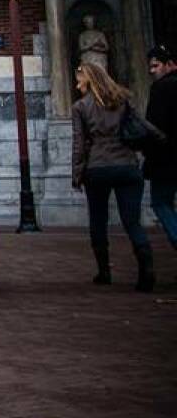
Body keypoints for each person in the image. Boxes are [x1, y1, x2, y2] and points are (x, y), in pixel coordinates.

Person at [72, 63, 155, 292]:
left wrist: (77, 173)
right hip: (127, 165)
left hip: (97, 168)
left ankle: (104, 271)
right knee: (132, 221)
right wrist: (160, 139)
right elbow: (143, 126)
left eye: (79, 79)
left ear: (88, 80)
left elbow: (79, 144)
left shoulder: (81, 107)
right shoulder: (122, 100)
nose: (77, 84)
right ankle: (146, 266)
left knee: (98, 220)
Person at [144, 44, 177, 255]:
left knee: (160, 202)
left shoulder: (161, 88)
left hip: (166, 157)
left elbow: (152, 124)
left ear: (169, 65)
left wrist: (148, 151)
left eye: (156, 66)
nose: (152, 71)